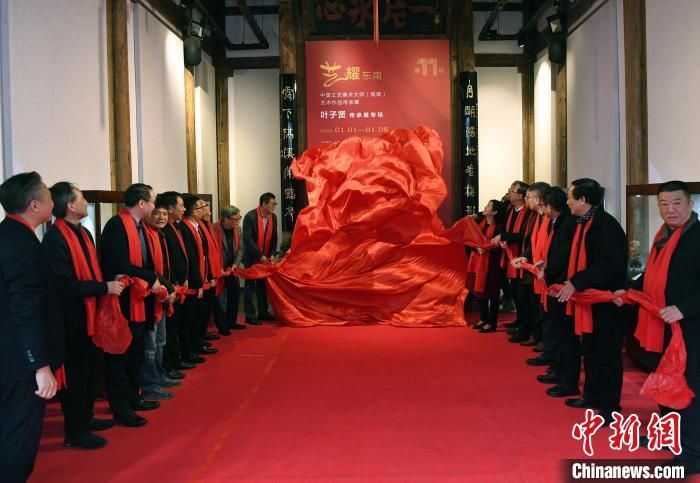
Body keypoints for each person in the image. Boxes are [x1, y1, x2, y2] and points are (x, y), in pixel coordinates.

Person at [615, 180, 699, 474]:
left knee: (688, 389)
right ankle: (669, 436)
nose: (670, 209)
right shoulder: (664, 235)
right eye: (664, 204)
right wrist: (628, 292)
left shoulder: (696, 236)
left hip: (690, 329)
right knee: (664, 384)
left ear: (690, 204)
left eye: (677, 203)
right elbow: (651, 275)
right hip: (661, 325)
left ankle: (693, 455)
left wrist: (683, 309)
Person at [42, 182, 123, 450]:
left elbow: (92, 270)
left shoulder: (84, 233)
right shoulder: (54, 239)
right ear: (69, 205)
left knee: (88, 371)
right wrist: (104, 287)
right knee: (75, 375)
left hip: (90, 313)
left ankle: (86, 418)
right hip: (71, 318)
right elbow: (64, 285)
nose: (85, 201)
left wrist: (107, 283)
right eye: (81, 198)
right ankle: (75, 431)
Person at [0, 172, 63, 482]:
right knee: (19, 435)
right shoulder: (21, 243)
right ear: (35, 205)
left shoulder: (9, 234)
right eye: (49, 196)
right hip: (20, 362)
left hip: (10, 354)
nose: (54, 202)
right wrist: (39, 364)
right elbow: (24, 308)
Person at [556, 178, 627, 424]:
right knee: (590, 351)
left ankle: (609, 409)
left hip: (606, 302)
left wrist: (576, 281)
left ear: (583, 200)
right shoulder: (584, 223)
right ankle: (592, 396)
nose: (567, 202)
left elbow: (609, 267)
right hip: (587, 301)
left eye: (570, 197)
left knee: (607, 356)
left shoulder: (607, 227)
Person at [100, 183, 163, 427]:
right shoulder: (116, 225)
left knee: (136, 352)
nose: (154, 206)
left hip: (139, 299)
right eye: (153, 201)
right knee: (120, 357)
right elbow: (118, 263)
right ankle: (121, 408)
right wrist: (150, 278)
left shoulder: (141, 227)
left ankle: (134, 398)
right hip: (123, 301)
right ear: (141, 203)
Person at [535, 187, 579, 397]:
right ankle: (559, 371)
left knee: (566, 336)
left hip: (562, 286)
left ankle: (568, 380)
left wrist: (548, 271)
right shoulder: (560, 222)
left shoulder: (568, 224)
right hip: (556, 283)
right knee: (559, 332)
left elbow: (563, 256)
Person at [141, 199, 178, 401]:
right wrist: (168, 288)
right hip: (149, 296)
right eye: (157, 213)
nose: (161, 217)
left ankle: (159, 375)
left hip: (162, 294)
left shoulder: (159, 235)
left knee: (160, 341)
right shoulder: (145, 235)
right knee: (150, 344)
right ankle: (150, 384)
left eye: (164, 214)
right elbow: (149, 270)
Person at [493, 181, 533, 343]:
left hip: (522, 257)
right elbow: (506, 229)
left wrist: (504, 237)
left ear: (521, 196)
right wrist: (504, 237)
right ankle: (519, 322)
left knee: (523, 296)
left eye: (512, 190)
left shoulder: (528, 213)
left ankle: (525, 328)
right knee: (516, 293)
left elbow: (523, 235)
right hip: (511, 256)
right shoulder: (511, 209)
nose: (509, 192)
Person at [159, 191, 195, 376]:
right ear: (171, 208)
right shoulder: (164, 230)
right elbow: (167, 261)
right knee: (169, 330)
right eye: (181, 205)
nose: (184, 209)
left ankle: (177, 359)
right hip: (170, 286)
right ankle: (170, 364)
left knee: (178, 325)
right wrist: (173, 283)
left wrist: (185, 278)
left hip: (180, 284)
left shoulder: (176, 227)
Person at [178, 194, 211, 364]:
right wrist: (197, 282)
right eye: (201, 207)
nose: (204, 209)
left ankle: (197, 344)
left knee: (197, 315)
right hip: (191, 281)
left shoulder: (197, 226)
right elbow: (190, 258)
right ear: (193, 211)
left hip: (200, 277)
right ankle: (189, 350)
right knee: (189, 318)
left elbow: (204, 254)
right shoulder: (185, 228)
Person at [242, 193, 278, 325]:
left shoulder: (273, 217)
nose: (274, 206)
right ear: (264, 204)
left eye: (275, 204)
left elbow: (274, 237)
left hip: (265, 256)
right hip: (251, 256)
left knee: (262, 285)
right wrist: (259, 255)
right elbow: (247, 239)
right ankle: (250, 315)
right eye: (272, 204)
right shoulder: (250, 216)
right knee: (250, 286)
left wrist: (272, 253)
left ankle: (263, 312)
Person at [469, 200, 505, 333]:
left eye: (489, 206)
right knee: (479, 290)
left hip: (493, 263)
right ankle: (483, 318)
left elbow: (499, 245)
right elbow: (471, 239)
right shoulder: (481, 222)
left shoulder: (500, 227)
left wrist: (486, 248)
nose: (485, 207)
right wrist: (477, 248)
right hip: (479, 261)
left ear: (494, 212)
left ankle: (492, 322)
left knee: (492, 292)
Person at [216, 206, 245, 332]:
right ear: (225, 219)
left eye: (239, 218)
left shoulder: (237, 229)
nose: (238, 222)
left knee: (235, 295)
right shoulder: (214, 229)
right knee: (220, 298)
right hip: (219, 268)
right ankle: (222, 326)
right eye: (235, 219)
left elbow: (241, 249)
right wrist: (218, 267)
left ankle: (231, 321)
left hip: (232, 268)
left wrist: (236, 264)